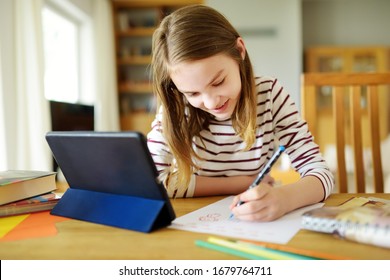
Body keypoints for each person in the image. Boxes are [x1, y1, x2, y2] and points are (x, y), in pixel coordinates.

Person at [147, 4, 334, 222]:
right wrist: (243, 182)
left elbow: (321, 173)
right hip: (194, 221)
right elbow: (153, 182)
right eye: (192, 93)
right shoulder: (177, 107)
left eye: (218, 82)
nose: (210, 102)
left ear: (240, 51)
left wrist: (284, 199)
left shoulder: (270, 95)